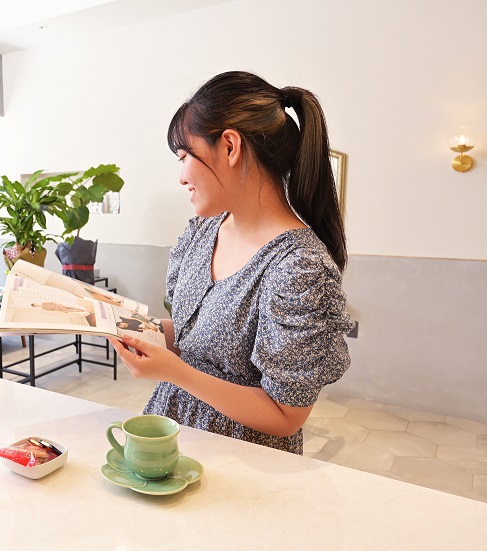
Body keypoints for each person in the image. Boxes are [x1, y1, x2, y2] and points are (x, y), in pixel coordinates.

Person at [109, 71, 354, 454]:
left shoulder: (298, 267)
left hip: (242, 457)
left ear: (229, 146)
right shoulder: (202, 233)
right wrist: (136, 326)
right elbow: (198, 335)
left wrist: (173, 371)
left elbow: (285, 415)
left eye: (184, 156)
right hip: (174, 431)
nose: (181, 177)